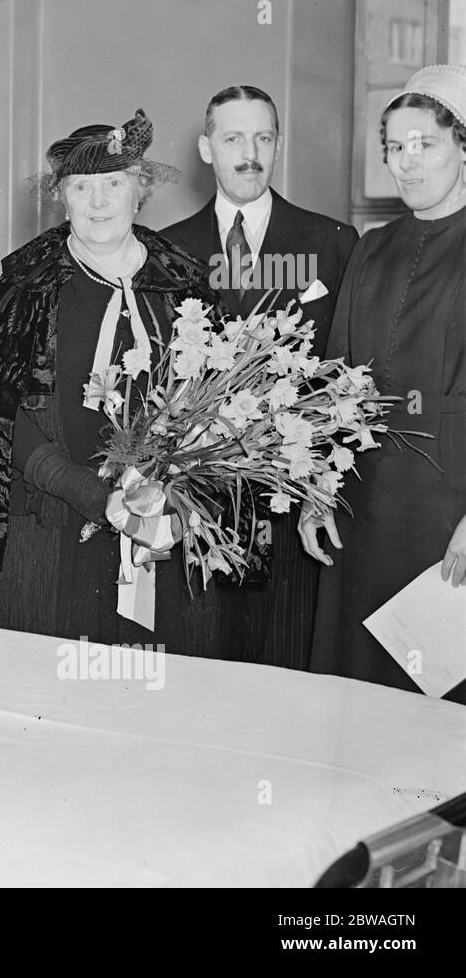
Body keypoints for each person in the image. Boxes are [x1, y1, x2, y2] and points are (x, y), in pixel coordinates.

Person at [0, 110, 224, 650]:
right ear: (59, 198)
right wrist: (88, 491)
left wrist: (169, 489)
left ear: (140, 190)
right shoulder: (25, 286)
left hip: (162, 534)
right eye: (80, 187)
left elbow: (220, 404)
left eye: (113, 184)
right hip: (50, 533)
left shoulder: (186, 282)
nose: (97, 202)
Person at [162, 85, 359, 670]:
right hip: (202, 512)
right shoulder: (169, 250)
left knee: (289, 672)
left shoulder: (331, 242)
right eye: (233, 138)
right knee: (204, 674)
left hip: (295, 506)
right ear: (206, 148)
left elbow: (347, 372)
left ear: (278, 145)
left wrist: (322, 487)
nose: (250, 153)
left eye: (263, 138)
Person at [305, 64, 466, 704]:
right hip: (361, 512)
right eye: (395, 148)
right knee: (359, 705)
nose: (406, 163)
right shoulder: (372, 248)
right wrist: (315, 486)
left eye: (424, 144)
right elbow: (337, 379)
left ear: (464, 146)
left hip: (447, 519)